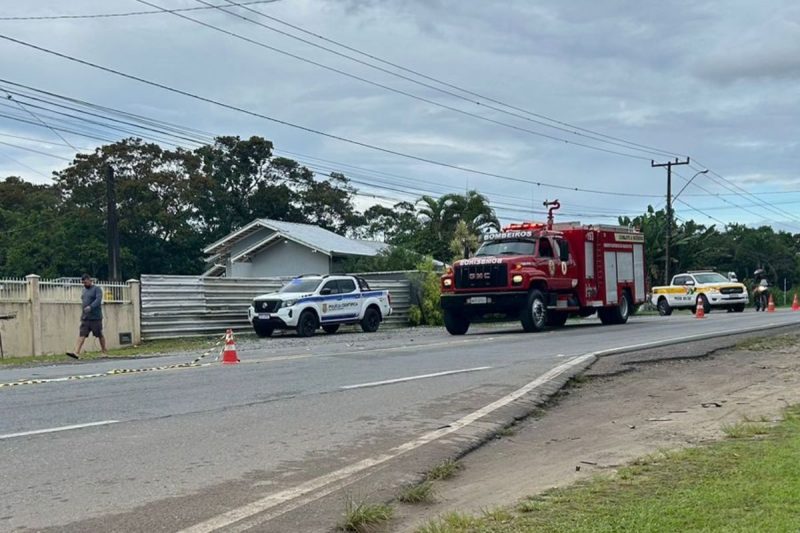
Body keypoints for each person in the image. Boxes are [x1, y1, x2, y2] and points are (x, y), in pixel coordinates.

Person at [66, 274, 107, 359]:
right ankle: (76, 352)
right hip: (85, 318)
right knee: (82, 334)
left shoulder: (97, 289)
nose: (84, 284)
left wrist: (91, 307)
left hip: (95, 317)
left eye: (85, 282)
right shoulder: (84, 290)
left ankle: (104, 351)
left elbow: (98, 300)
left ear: (89, 280)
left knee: (99, 334)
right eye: (83, 283)